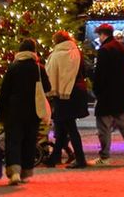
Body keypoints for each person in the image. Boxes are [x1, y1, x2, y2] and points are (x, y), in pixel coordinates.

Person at [0, 38, 52, 185]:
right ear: (33, 52)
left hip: (14, 110)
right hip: (33, 109)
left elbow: (5, 91)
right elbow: (47, 87)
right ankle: (25, 170)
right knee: (29, 140)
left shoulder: (13, 67)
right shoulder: (38, 68)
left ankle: (14, 171)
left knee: (13, 140)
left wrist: (0, 111)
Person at [93, 23, 124, 166]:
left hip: (107, 93)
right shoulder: (122, 48)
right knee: (123, 123)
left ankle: (105, 156)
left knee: (103, 125)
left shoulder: (104, 50)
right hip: (120, 92)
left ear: (102, 34)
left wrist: (97, 90)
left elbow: (100, 74)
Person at [45, 30, 90, 169]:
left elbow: (50, 74)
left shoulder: (56, 55)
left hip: (62, 94)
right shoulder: (77, 52)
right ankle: (55, 157)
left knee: (69, 126)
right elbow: (84, 71)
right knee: (62, 125)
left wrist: (49, 92)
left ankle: (80, 159)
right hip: (77, 91)